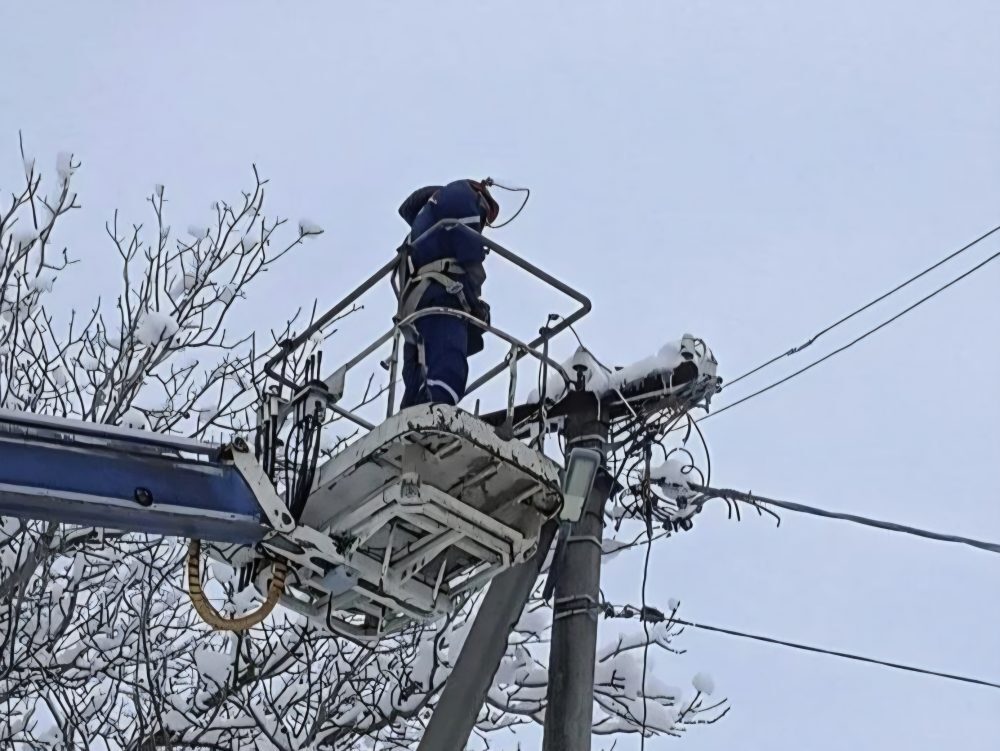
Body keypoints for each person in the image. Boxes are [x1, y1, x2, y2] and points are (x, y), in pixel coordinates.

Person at [395, 179, 499, 408]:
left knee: (419, 370)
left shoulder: (426, 219)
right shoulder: (463, 196)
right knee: (448, 365)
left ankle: (412, 415)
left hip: (415, 302)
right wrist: (474, 305)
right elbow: (471, 258)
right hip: (440, 295)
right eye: (486, 217)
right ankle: (435, 415)